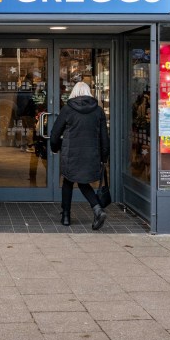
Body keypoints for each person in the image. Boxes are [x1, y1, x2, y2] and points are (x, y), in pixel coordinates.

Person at [50, 81, 111, 229]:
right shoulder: (98, 111)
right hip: (91, 154)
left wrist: (55, 148)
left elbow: (55, 134)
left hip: (71, 153)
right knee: (83, 181)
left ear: (74, 92)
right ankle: (97, 208)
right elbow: (104, 137)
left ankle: (66, 216)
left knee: (68, 181)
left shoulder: (67, 110)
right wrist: (104, 157)